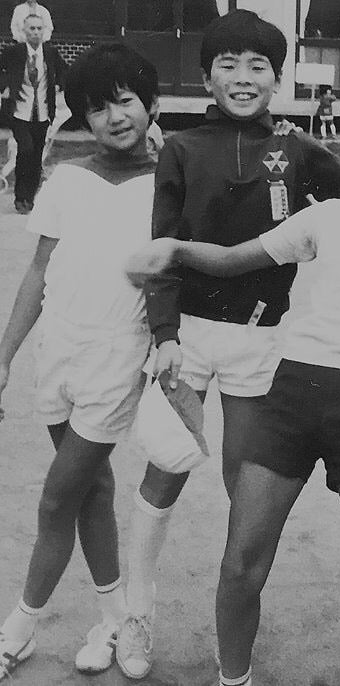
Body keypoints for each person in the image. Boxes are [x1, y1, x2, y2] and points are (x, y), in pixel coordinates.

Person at [125, 79, 340, 686]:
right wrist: (175, 251)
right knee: (241, 565)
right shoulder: (326, 217)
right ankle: (232, 678)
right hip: (287, 402)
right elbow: (235, 258)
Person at [114, 10, 340, 681]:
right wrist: (163, 336)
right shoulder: (182, 148)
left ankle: (235, 615)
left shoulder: (301, 150)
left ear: (277, 79)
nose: (243, 78)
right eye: (229, 64)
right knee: (165, 469)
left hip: (261, 341)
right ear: (205, 76)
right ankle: (136, 612)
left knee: (244, 485)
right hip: (186, 343)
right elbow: (163, 243)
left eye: (258, 67)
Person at [0, 42, 160, 680]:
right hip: (56, 353)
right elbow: (39, 271)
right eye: (96, 108)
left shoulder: (171, 180)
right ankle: (116, 619)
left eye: (125, 100)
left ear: (150, 104)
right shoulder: (65, 178)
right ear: (81, 119)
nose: (113, 117)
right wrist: (5, 354)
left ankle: (20, 624)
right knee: (91, 490)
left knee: (54, 500)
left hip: (119, 356)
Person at [0, 12, 67, 213]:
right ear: (24, 31)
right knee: (25, 149)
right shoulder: (14, 52)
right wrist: (5, 86)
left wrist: (59, 85)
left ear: (44, 31)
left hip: (43, 113)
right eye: (32, 28)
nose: (36, 32)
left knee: (36, 155)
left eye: (39, 28)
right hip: (20, 113)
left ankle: (29, 198)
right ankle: (20, 197)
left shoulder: (51, 53)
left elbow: (64, 71)